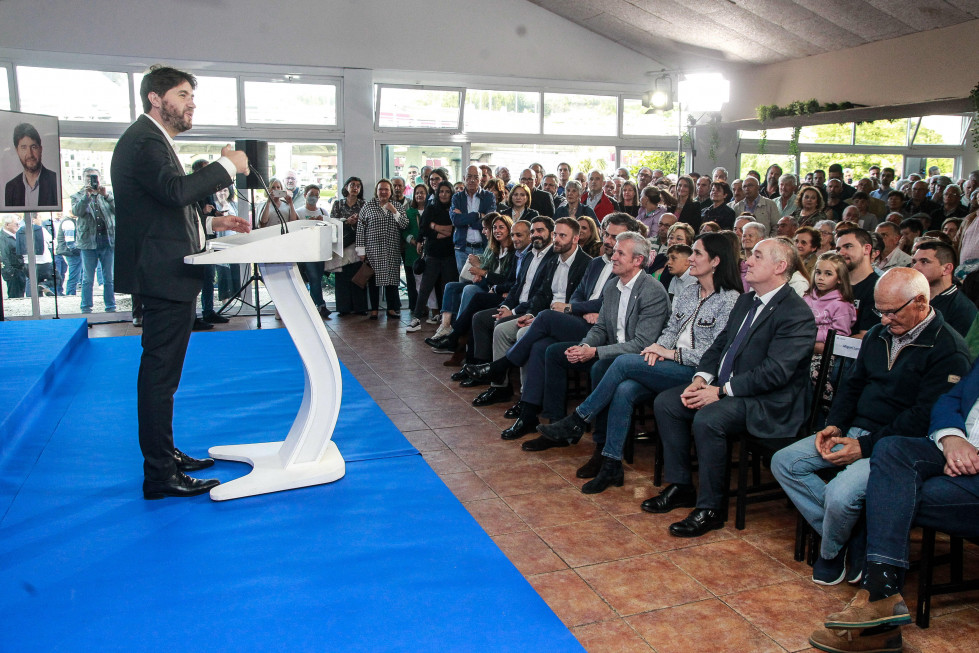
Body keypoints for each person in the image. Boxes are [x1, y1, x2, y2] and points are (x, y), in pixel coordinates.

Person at [773, 268, 970, 588]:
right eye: (880, 311)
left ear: (920, 302)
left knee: (839, 495)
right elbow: (852, 386)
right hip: (854, 431)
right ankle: (854, 535)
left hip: (897, 446)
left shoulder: (948, 349)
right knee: (785, 462)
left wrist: (864, 447)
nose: (884, 319)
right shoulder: (879, 334)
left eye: (892, 311)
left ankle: (832, 551)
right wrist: (835, 425)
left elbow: (924, 417)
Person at [111, 65, 250, 499]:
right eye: (183, 94)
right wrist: (228, 164)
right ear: (156, 98)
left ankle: (164, 455)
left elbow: (163, 209)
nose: (191, 102)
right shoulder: (145, 140)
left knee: (162, 377)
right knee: (159, 378)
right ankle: (159, 474)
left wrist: (211, 220)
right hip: (162, 275)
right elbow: (174, 192)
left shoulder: (151, 139)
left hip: (165, 272)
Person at [538, 232, 742, 490]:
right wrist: (660, 347)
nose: (690, 258)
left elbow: (715, 353)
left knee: (622, 363)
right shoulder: (690, 292)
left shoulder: (730, 300)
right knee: (624, 388)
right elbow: (670, 330)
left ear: (715, 261)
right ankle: (611, 463)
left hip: (695, 372)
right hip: (667, 362)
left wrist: (670, 353)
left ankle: (578, 419)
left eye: (697, 253)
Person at [647, 238, 817, 536]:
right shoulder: (746, 300)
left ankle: (711, 508)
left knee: (710, 418)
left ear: (779, 267)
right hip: (731, 389)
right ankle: (682, 485)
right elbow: (718, 347)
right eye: (750, 255)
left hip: (768, 402)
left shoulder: (795, 313)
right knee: (668, 403)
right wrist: (701, 379)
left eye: (757, 256)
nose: (747, 261)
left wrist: (722, 391)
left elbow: (775, 373)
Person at [807, 358, 979, 653]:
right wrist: (952, 439)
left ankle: (878, 611)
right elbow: (950, 399)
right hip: (958, 447)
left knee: (890, 490)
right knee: (892, 449)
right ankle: (882, 594)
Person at [516, 230, 671, 452]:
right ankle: (556, 426)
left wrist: (595, 352)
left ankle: (600, 446)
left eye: (620, 253)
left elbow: (641, 344)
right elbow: (600, 327)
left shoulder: (652, 291)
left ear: (638, 260)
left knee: (600, 367)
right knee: (554, 352)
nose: (613, 257)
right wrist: (585, 346)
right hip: (608, 349)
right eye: (614, 251)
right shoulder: (612, 286)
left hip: (635, 358)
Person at [408, 181, 458, 332]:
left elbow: (454, 231)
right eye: (441, 191)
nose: (444, 194)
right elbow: (424, 230)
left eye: (447, 192)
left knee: (448, 288)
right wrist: (442, 231)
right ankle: (416, 318)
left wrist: (435, 227)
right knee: (425, 287)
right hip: (432, 254)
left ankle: (448, 320)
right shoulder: (431, 207)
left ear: (451, 193)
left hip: (450, 255)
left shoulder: (455, 210)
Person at [357, 178, 408, 319]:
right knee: (373, 281)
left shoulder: (397, 205)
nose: (383, 192)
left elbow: (404, 224)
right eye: (381, 189)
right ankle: (374, 310)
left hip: (391, 250)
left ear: (391, 191)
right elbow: (361, 229)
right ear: (376, 191)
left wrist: (394, 211)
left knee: (392, 281)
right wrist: (361, 251)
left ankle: (391, 308)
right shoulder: (367, 206)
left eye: (386, 189)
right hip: (373, 251)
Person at [70, 168, 117, 313]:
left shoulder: (106, 195)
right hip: (88, 243)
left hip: (107, 241)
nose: (92, 180)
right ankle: (86, 307)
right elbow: (77, 212)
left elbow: (119, 210)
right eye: (88, 178)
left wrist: (106, 195)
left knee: (109, 277)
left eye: (94, 177)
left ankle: (110, 306)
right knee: (87, 278)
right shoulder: (77, 196)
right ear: (84, 180)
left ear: (100, 178)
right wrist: (87, 196)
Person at [912, 240, 977, 337]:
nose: (915, 267)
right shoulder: (909, 298)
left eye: (924, 262)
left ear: (947, 269)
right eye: (914, 262)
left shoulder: (963, 309)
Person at [330, 176, 368, 316]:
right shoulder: (338, 204)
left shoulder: (364, 204)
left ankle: (360, 307)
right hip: (342, 245)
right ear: (346, 187)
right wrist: (347, 221)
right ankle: (343, 308)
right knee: (342, 278)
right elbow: (332, 221)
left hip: (358, 246)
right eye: (352, 185)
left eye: (358, 186)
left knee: (358, 277)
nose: (355, 188)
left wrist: (357, 222)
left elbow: (368, 223)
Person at [836, 228, 882, 338]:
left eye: (848, 246)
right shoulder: (832, 283)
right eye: (838, 249)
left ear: (866, 249)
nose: (840, 253)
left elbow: (865, 336)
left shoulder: (877, 288)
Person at [295, 184, 332, 320]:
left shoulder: (323, 212)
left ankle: (311, 308)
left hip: (320, 250)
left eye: (316, 195)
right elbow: (295, 230)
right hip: (306, 251)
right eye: (311, 194)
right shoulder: (299, 212)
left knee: (317, 278)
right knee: (313, 278)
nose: (314, 197)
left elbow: (330, 229)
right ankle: (321, 305)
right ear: (305, 195)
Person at [450, 165, 496, 272]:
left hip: (483, 248)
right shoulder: (457, 197)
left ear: (480, 179)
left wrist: (465, 220)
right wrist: (478, 215)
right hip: (462, 248)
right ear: (464, 178)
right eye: (469, 176)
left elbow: (489, 222)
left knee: (481, 281)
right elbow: (456, 220)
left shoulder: (489, 196)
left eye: (476, 177)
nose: (472, 180)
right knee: (463, 281)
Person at [5, 122, 59, 209]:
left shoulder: (55, 180)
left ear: (40, 149)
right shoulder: (10, 187)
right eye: (23, 147)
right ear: (17, 150)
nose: (30, 154)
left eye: (33, 147)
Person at [55, 213, 82, 295]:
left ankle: (70, 293)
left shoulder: (69, 221)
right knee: (74, 275)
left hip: (69, 252)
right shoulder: (69, 222)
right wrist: (77, 251)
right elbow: (70, 242)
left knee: (74, 274)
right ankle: (70, 294)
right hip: (71, 253)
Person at [1, 214, 26, 297]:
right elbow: (3, 256)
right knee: (15, 296)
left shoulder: (15, 235)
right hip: (13, 273)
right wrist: (10, 272)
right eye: (16, 224)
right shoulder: (2, 238)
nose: (18, 226)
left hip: (20, 270)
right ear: (7, 225)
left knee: (20, 295)